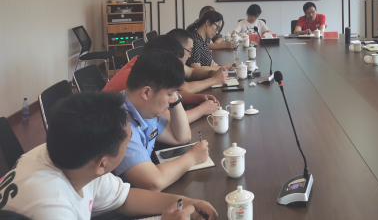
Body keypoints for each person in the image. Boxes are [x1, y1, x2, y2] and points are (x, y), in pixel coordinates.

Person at [1, 93, 217, 219]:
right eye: (128, 142)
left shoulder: (74, 158)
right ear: (102, 164)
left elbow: (124, 198)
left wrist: (186, 202)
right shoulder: (52, 207)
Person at [114, 50, 210, 191]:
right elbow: (153, 182)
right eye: (170, 94)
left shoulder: (144, 110)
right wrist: (193, 157)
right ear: (146, 92)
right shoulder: (120, 122)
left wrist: (175, 100)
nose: (172, 100)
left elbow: (181, 137)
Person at [104, 35, 224, 120]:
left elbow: (171, 94)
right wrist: (202, 109)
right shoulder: (138, 79)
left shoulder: (144, 67)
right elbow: (170, 120)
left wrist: (197, 98)